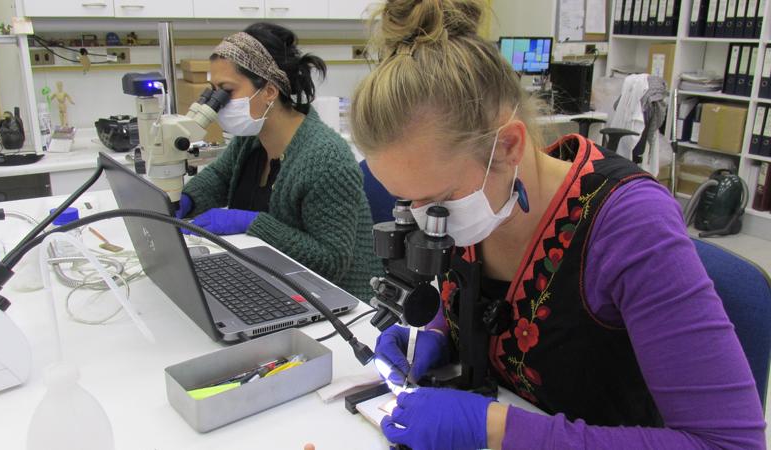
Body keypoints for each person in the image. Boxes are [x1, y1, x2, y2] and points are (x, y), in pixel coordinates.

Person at [355, 1, 766, 449]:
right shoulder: (476, 202)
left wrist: (494, 428)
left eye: (436, 201)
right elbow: (484, 306)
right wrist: (434, 333)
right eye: (409, 201)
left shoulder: (630, 225)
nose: (424, 220)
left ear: (509, 146)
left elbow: (729, 443)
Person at [178, 23, 381, 301]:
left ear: (270, 91)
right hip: (273, 283)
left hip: (334, 301)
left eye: (227, 90)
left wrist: (252, 223)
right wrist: (184, 199)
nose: (216, 104)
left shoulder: (325, 159)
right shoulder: (251, 139)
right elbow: (218, 178)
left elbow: (330, 262)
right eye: (213, 91)